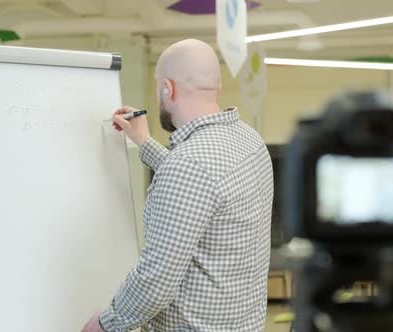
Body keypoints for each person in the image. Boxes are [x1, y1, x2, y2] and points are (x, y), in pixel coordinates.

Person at [82, 39, 273, 332]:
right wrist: (145, 143)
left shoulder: (188, 166)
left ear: (167, 89)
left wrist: (106, 324)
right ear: (216, 86)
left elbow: (156, 279)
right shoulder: (249, 140)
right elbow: (206, 190)